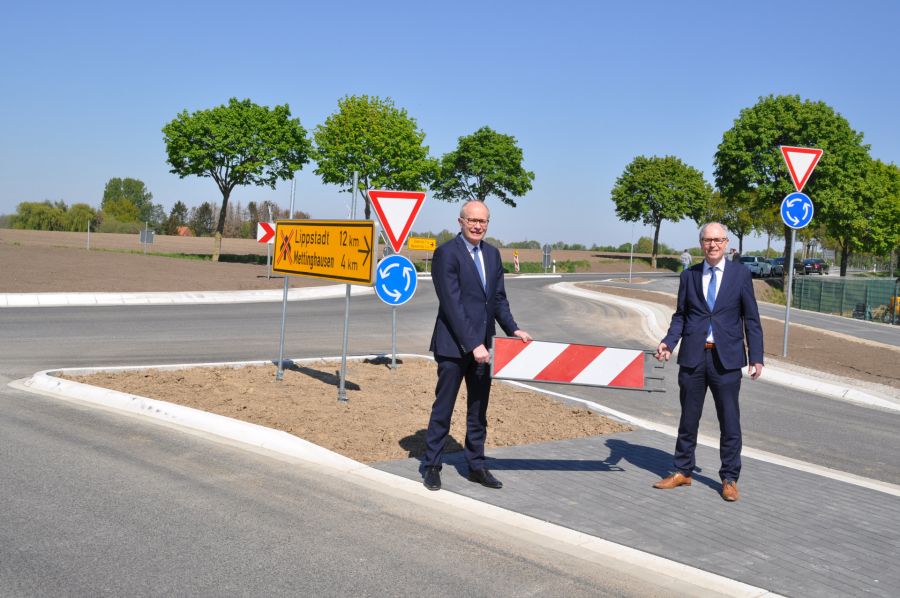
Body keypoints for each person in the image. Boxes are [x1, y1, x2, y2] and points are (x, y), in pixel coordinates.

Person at [422, 200, 532, 491]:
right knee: (443, 408)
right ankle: (432, 464)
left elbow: (497, 299)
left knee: (478, 410)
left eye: (482, 221)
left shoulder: (493, 255)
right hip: (453, 347)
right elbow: (452, 304)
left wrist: (513, 328)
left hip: (485, 348)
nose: (477, 226)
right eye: (472, 220)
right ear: (460, 222)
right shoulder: (446, 254)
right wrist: (473, 344)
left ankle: (476, 465)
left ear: (488, 224)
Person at [653, 222, 763, 502]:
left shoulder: (740, 274)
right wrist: (668, 342)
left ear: (726, 243)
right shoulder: (689, 275)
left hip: (726, 359)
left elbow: (751, 319)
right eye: (707, 240)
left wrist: (756, 357)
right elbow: (681, 315)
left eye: (718, 240)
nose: (712, 245)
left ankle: (729, 478)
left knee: (729, 421)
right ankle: (682, 471)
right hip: (693, 356)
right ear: (700, 243)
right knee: (688, 419)